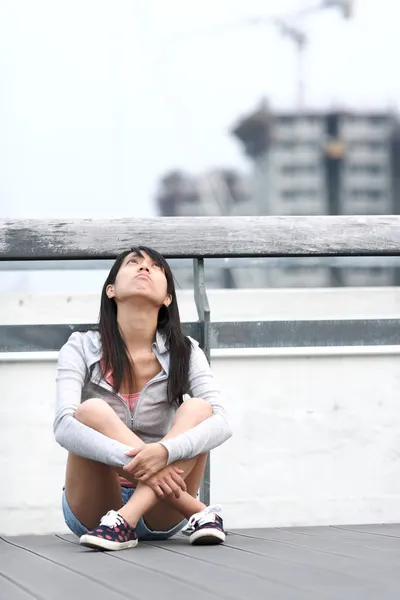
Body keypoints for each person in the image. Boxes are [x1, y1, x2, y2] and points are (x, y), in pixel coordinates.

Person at [54, 246, 232, 551]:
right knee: (91, 411)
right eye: (133, 263)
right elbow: (63, 426)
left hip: (162, 510)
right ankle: (198, 512)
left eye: (155, 267)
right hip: (95, 510)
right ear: (111, 290)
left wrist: (164, 451)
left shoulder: (185, 351)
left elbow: (223, 423)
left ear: (168, 298)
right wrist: (147, 465)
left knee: (200, 408)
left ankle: (126, 520)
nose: (144, 268)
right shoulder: (80, 346)